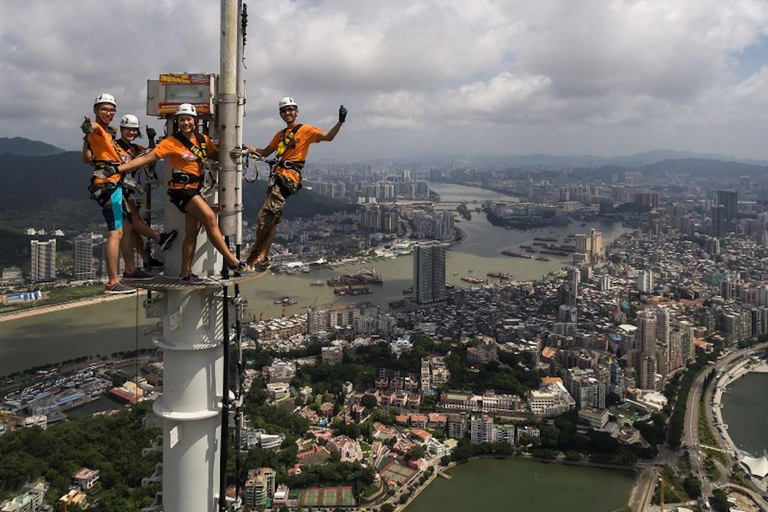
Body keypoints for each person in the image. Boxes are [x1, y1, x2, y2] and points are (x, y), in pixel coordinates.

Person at [113, 103, 250, 284]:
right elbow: (148, 157)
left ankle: (185, 274)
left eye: (188, 119)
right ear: (177, 122)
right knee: (209, 218)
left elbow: (217, 155)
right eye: (182, 119)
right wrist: (118, 169)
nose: (185, 122)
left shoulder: (203, 140)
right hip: (181, 190)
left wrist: (239, 151)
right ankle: (233, 261)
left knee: (191, 232)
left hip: (195, 189)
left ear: (195, 121)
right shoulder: (171, 142)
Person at [244, 97, 346, 268]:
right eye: (284, 111)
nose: (288, 113)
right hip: (277, 178)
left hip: (288, 179)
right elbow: (264, 152)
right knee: (272, 219)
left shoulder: (306, 130)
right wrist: (244, 147)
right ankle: (263, 256)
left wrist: (340, 122)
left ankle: (257, 253)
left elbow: (328, 137)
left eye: (291, 109)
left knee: (264, 218)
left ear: (296, 111)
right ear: (281, 114)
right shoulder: (281, 135)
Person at [80, 93, 153, 295]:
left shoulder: (106, 134)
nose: (108, 113)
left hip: (113, 184)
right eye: (104, 109)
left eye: (111, 110)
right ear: (96, 110)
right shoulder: (99, 130)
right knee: (116, 232)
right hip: (109, 184)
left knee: (126, 228)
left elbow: (87, 159)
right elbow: (91, 128)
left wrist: (88, 138)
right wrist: (88, 128)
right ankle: (112, 281)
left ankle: (129, 270)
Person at [113, 114, 177, 267]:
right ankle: (159, 239)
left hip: (126, 189)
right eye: (128, 129)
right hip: (117, 188)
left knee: (132, 229)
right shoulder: (114, 146)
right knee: (134, 220)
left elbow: (150, 156)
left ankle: (147, 260)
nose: (131, 133)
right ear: (122, 129)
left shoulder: (135, 149)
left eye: (134, 130)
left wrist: (151, 140)